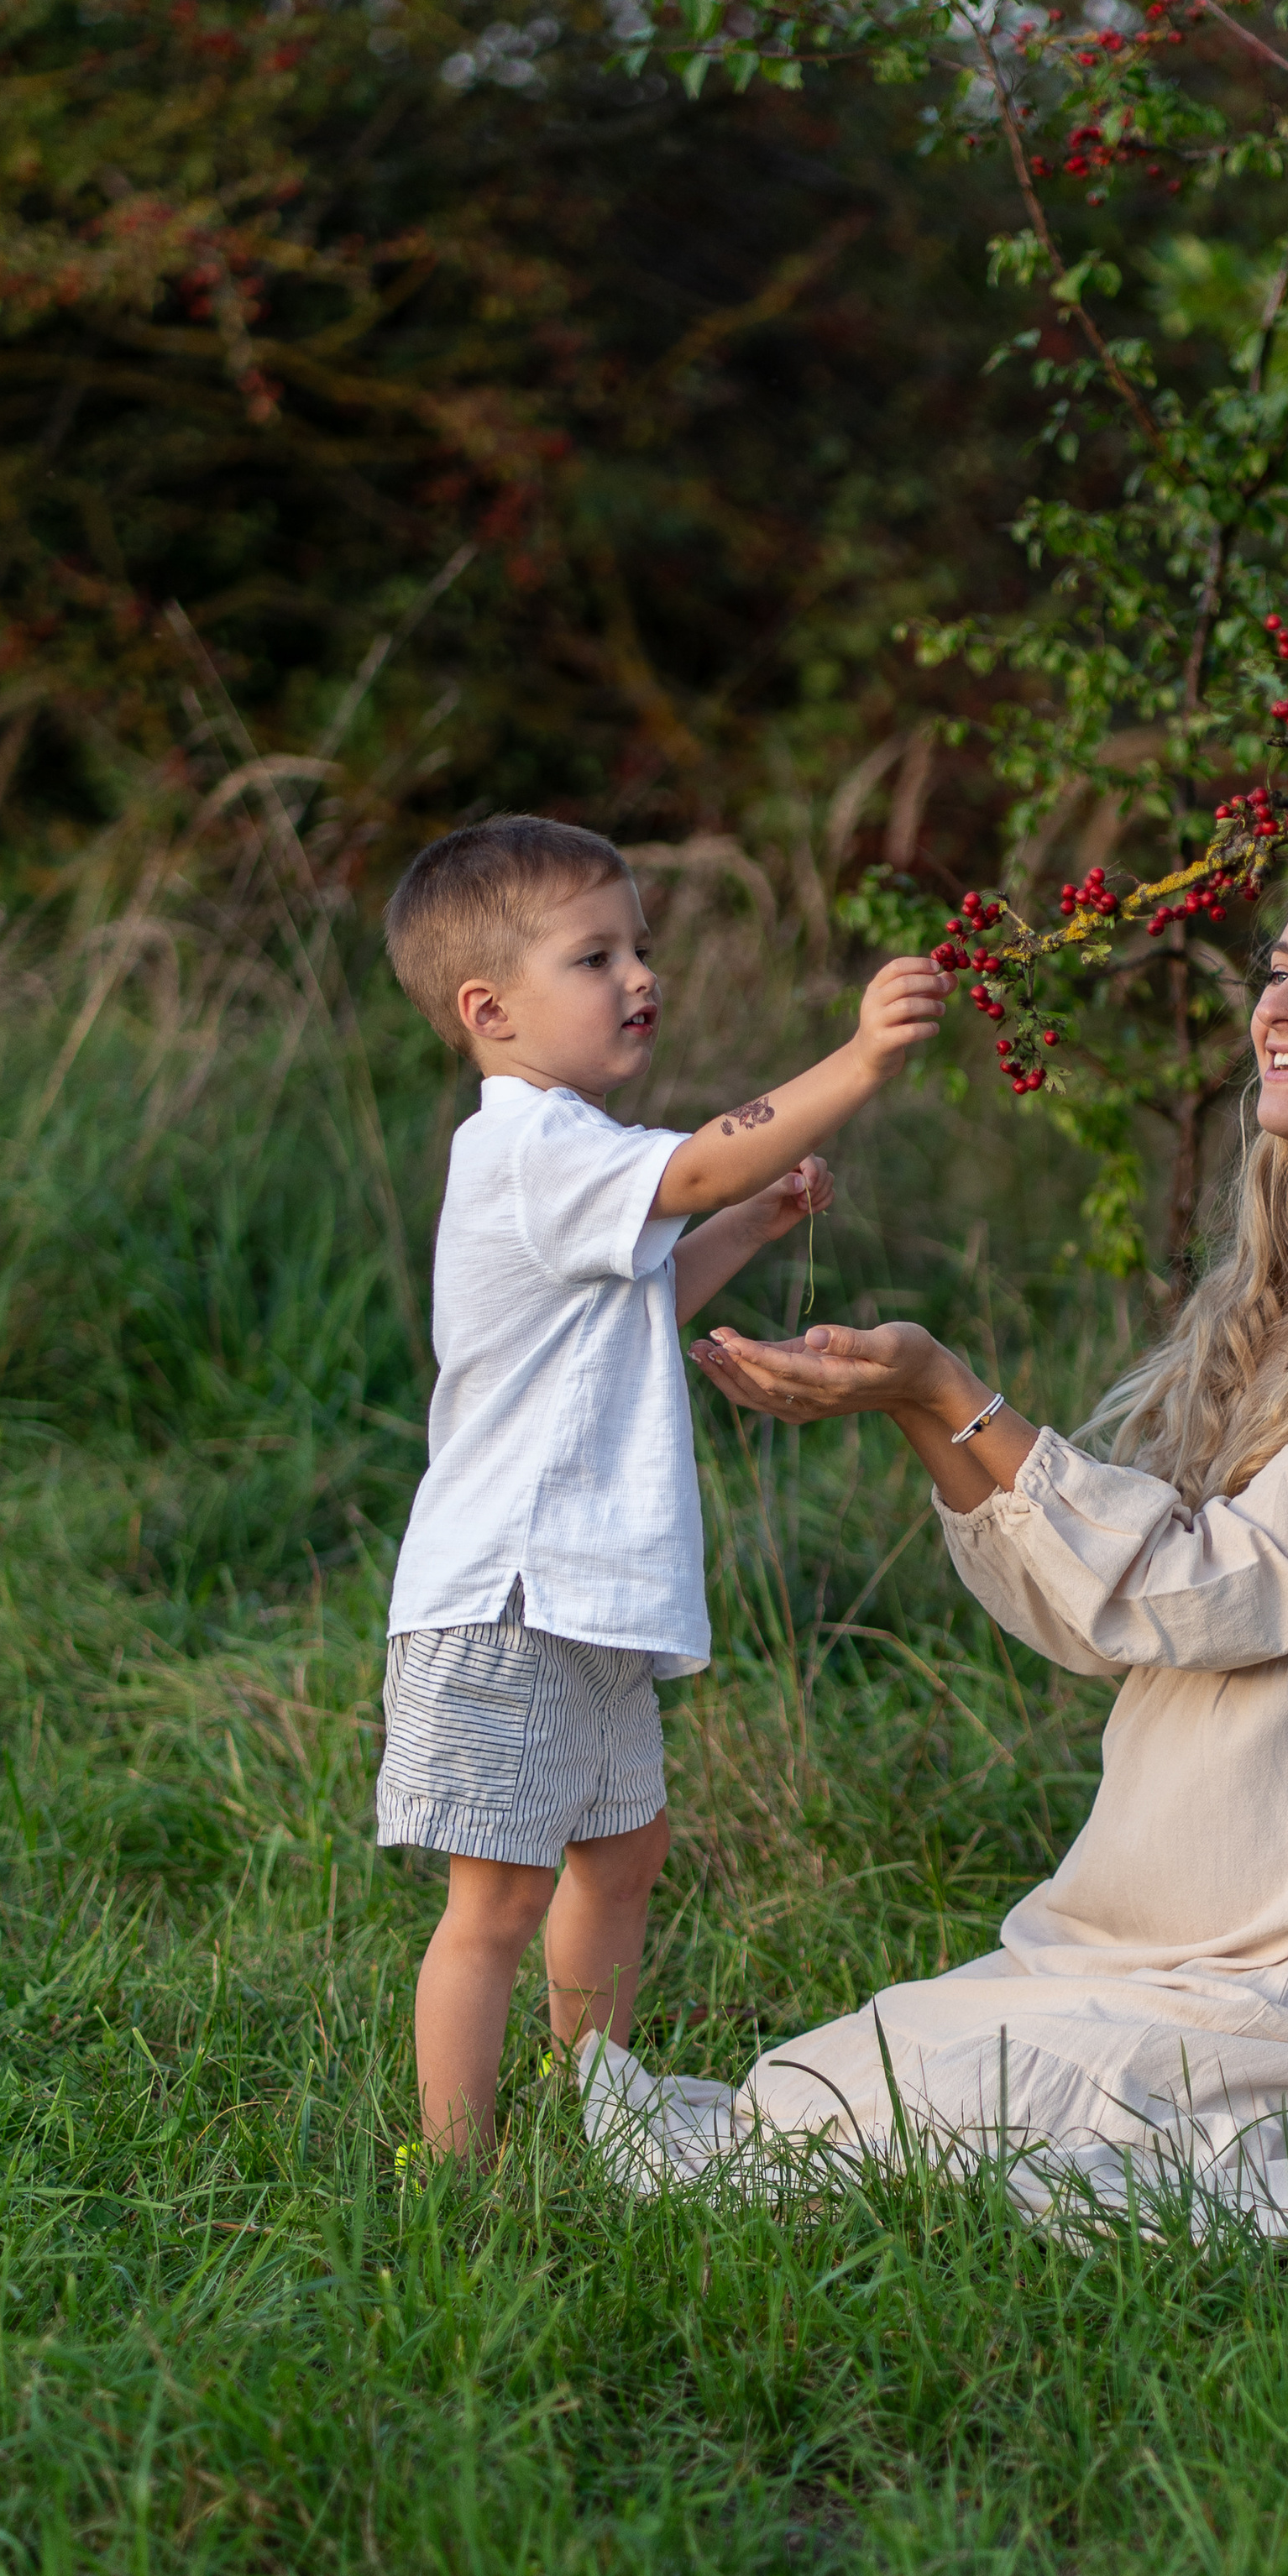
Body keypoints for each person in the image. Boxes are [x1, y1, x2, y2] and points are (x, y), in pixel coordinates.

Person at [683, 827, 1288, 2233]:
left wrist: (948, 1387)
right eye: (1279, 970)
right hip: (1220, 1938)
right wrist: (916, 1409)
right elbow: (1097, 1616)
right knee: (810, 2100)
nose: (1281, 1004)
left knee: (883, 2143)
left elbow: (1212, 1593)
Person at [376, 814, 947, 2157]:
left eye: (641, 947)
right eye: (596, 955)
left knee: (622, 1853)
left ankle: (597, 2098)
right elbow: (693, 1163)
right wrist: (858, 1060)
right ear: (490, 1010)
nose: (641, 976)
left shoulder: (572, 1153)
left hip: (587, 1594)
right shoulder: (530, 1141)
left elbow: (648, 1284)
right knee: (498, 1899)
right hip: (509, 1593)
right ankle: (453, 2174)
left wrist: (750, 1223)